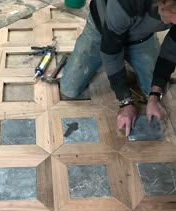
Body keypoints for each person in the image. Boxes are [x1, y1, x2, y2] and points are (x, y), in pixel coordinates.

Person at [60, 0, 176, 136]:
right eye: (174, 13)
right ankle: (108, 63)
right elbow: (111, 51)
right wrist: (125, 102)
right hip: (102, 32)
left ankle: (126, 60)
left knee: (158, 86)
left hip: (142, 38)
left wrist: (155, 95)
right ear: (162, 2)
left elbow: (171, 52)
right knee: (69, 89)